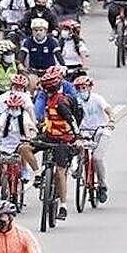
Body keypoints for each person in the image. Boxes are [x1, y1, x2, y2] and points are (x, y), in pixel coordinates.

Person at [32, 68, 80, 220]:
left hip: (63, 140)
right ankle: (38, 174)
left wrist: (77, 137)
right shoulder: (46, 98)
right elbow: (41, 115)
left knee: (60, 171)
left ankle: (63, 206)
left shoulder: (61, 102)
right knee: (24, 148)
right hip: (49, 137)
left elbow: (71, 120)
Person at [74, 76, 116, 203]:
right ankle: (77, 168)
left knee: (97, 158)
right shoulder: (75, 101)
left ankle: (102, 185)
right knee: (76, 149)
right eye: (79, 88)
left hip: (101, 131)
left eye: (84, 88)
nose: (82, 91)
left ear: (90, 88)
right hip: (83, 132)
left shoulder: (97, 99)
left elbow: (107, 109)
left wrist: (111, 119)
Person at [0, 94, 40, 185]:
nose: (13, 110)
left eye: (16, 107)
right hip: (5, 142)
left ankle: (25, 170)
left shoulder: (24, 115)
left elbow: (28, 124)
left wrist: (33, 133)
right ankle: (0, 171)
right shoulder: (5, 114)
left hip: (19, 142)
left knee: (23, 150)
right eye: (11, 107)